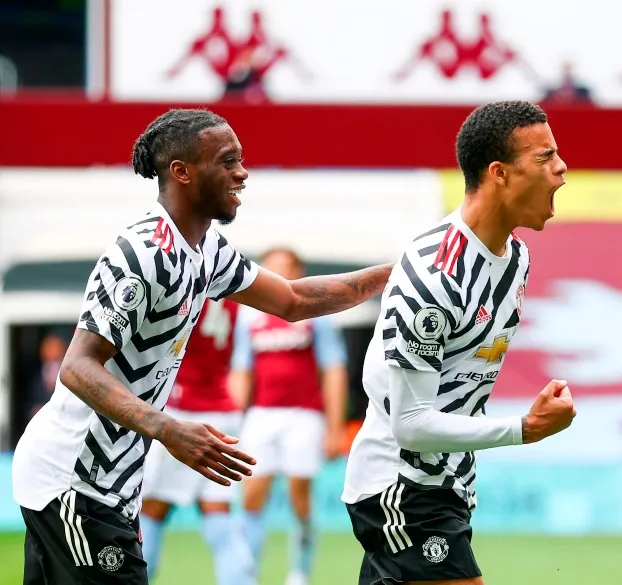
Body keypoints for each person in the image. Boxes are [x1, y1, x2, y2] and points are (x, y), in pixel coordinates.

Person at [11, 108, 392, 585]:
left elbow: (294, 299)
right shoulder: (142, 254)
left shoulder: (207, 249)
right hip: (75, 478)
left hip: (107, 484)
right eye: (228, 160)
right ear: (182, 172)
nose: (242, 172)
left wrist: (395, 274)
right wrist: (168, 429)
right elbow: (77, 366)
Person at [341, 100, 577, 585]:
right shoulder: (434, 274)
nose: (561, 169)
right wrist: (524, 429)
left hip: (448, 485)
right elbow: (410, 424)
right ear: (499, 173)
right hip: (402, 485)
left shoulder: (516, 258)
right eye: (545, 156)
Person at [230, 247, 349, 585]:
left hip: (304, 416)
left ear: (299, 271)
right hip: (261, 416)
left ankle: (300, 571)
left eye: (286, 268)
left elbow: (334, 371)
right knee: (252, 493)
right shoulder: (250, 317)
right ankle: (246, 572)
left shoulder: (316, 314)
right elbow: (241, 372)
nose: (279, 275)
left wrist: (335, 427)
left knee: (299, 494)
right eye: (272, 269)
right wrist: (233, 422)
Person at [138, 297, 253, 585]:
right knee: (219, 513)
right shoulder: (234, 293)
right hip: (222, 411)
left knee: (152, 508)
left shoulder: (186, 279)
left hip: (181, 411)